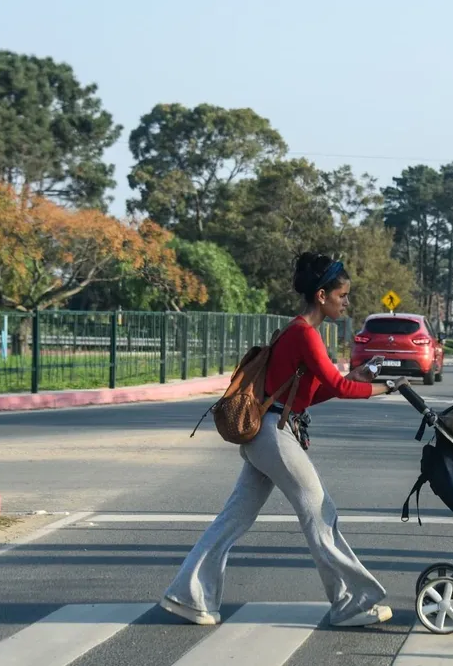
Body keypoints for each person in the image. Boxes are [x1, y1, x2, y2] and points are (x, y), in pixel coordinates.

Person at [160, 251, 408, 628]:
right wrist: (384, 386)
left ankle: (188, 597)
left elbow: (313, 394)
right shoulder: (305, 334)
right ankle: (350, 604)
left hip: (268, 434)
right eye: (342, 296)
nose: (347, 302)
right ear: (322, 296)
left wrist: (359, 377)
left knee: (234, 519)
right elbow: (339, 387)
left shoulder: (297, 331)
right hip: (274, 436)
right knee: (321, 514)